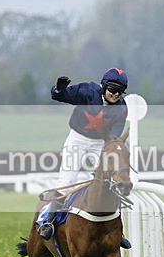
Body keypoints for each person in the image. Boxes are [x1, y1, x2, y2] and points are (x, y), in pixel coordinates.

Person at [38, 68, 130, 246]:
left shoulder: (121, 108)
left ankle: (120, 232)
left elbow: (114, 137)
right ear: (103, 86)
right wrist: (58, 88)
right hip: (77, 139)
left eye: (120, 91)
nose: (116, 94)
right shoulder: (88, 91)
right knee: (66, 181)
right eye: (112, 89)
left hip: (99, 144)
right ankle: (48, 222)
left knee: (112, 182)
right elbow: (60, 96)